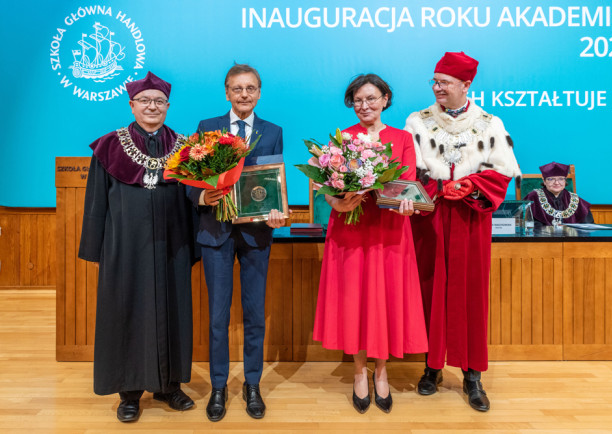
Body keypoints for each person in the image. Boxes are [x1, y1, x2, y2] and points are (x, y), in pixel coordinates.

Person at [404, 52, 521, 412]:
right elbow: (410, 171)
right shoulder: (418, 121)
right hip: (432, 217)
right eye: (434, 82)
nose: (437, 88)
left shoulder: (489, 123)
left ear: (466, 85)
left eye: (445, 83)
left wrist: (470, 185)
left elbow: (501, 173)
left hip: (471, 219)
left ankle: (472, 373)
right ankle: (432, 366)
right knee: (431, 290)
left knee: (470, 292)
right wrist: (437, 188)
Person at [78, 72, 197, 422]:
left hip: (172, 244)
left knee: (174, 310)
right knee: (126, 311)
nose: (152, 106)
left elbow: (193, 200)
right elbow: (96, 203)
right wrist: (97, 250)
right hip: (124, 247)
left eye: (158, 101)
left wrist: (194, 247)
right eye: (145, 100)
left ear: (167, 106)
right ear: (132, 105)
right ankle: (128, 393)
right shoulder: (109, 147)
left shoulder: (185, 146)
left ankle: (169, 386)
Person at [313, 74, 429, 414]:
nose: (364, 106)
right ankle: (359, 371)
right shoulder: (343, 138)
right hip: (352, 227)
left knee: (383, 298)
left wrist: (407, 202)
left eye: (371, 98)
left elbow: (406, 183)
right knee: (356, 299)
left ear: (385, 99)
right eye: (358, 101)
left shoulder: (402, 138)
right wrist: (338, 202)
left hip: (389, 228)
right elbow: (328, 186)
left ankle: (382, 372)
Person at [186, 64, 285, 422]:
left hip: (257, 234)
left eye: (251, 89)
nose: (244, 95)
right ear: (226, 92)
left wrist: (276, 210)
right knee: (218, 316)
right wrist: (201, 197)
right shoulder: (206, 128)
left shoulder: (273, 131)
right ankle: (218, 386)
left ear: (259, 92)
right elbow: (189, 178)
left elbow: (273, 180)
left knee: (255, 313)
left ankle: (253, 384)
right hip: (216, 233)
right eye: (237, 89)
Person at [524, 162, 593, 226]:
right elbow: (526, 224)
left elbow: (589, 226)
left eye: (561, 179)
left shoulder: (575, 199)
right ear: (544, 181)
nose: (556, 183)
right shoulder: (533, 197)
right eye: (551, 179)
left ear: (565, 181)